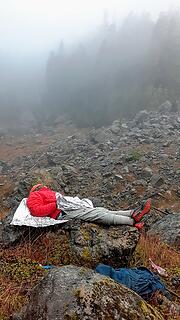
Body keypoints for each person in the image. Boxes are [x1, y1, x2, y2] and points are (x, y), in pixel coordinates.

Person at [27, 184, 151, 230]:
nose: (43, 186)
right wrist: (57, 204)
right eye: (39, 186)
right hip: (62, 212)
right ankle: (132, 222)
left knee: (101, 210)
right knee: (97, 215)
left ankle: (132, 213)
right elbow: (36, 211)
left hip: (67, 207)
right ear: (35, 189)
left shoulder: (45, 192)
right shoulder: (34, 196)